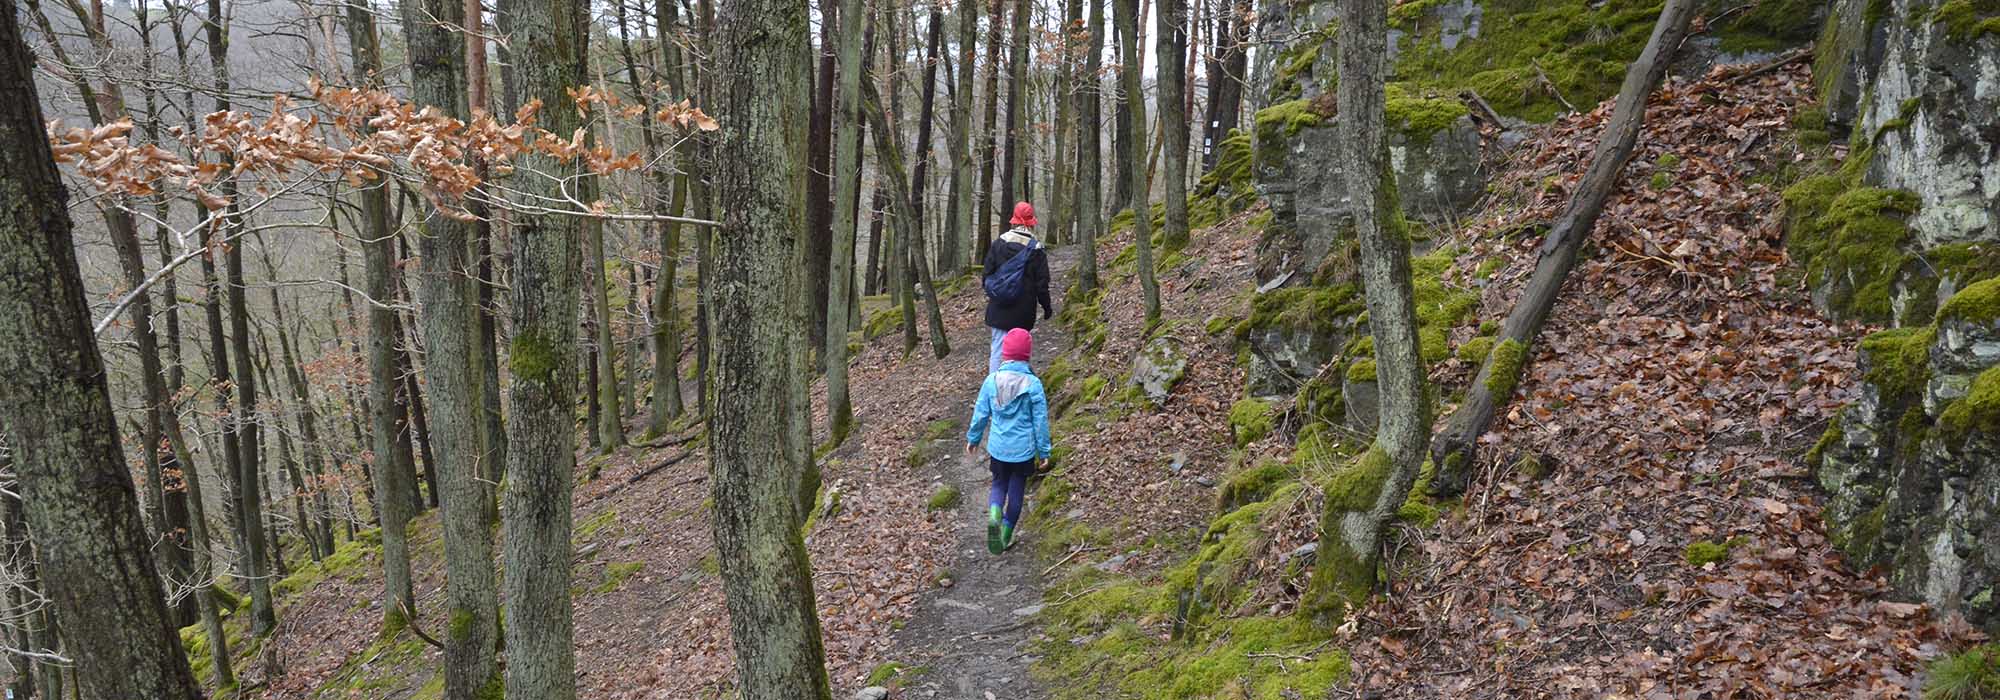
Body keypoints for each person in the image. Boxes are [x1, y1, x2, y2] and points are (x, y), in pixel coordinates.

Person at [964, 328, 1051, 554]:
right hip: (1023, 450)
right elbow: (1040, 421)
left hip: (999, 448)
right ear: (1027, 355)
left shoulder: (991, 381)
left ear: (1004, 353)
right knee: (1016, 491)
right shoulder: (1033, 384)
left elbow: (981, 413)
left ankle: (994, 512)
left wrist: (973, 438)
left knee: (998, 483)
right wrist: (1044, 451)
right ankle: (1004, 534)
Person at [983, 202, 1054, 374]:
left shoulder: (999, 243)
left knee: (998, 350)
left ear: (1013, 221)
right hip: (1023, 311)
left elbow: (986, 274)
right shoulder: (1036, 249)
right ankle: (1018, 389)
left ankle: (995, 390)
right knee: (1020, 352)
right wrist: (1047, 307)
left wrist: (995, 293)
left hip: (998, 307)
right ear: (1031, 222)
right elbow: (1042, 284)